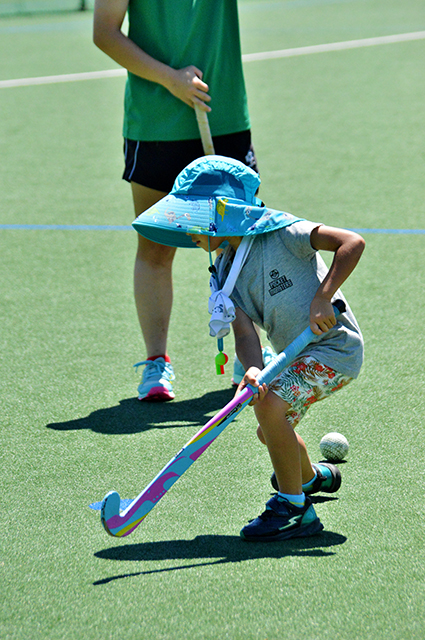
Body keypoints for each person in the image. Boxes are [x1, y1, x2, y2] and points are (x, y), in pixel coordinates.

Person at [132, 155, 365, 542]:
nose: (185, 228)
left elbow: (350, 243)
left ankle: (293, 511)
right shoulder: (224, 273)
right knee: (271, 430)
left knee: (271, 408)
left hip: (333, 348)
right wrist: (254, 369)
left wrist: (324, 297)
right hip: (299, 356)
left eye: (192, 217)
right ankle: (313, 478)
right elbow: (244, 335)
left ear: (222, 213)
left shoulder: (282, 233)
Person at [93, 0, 258, 401]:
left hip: (225, 115)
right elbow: (105, 31)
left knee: (238, 242)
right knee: (155, 248)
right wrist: (170, 79)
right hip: (155, 123)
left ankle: (248, 355)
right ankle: (156, 364)